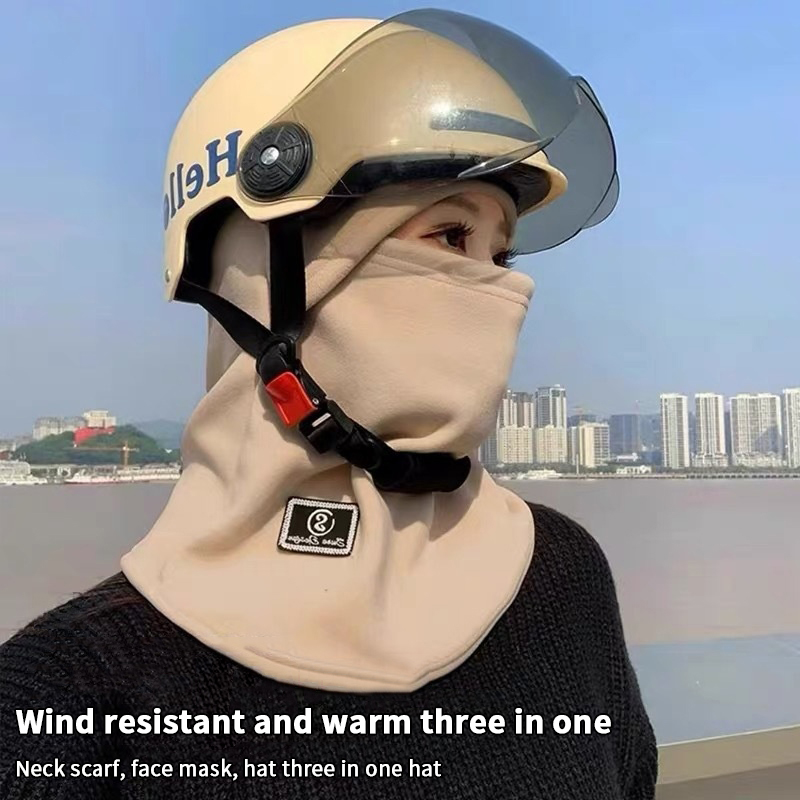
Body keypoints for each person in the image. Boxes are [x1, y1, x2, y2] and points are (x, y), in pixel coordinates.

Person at [0, 9, 657, 799]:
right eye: (451, 235)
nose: (499, 287)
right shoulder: (68, 695)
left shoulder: (562, 575)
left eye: (500, 251)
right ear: (267, 266)